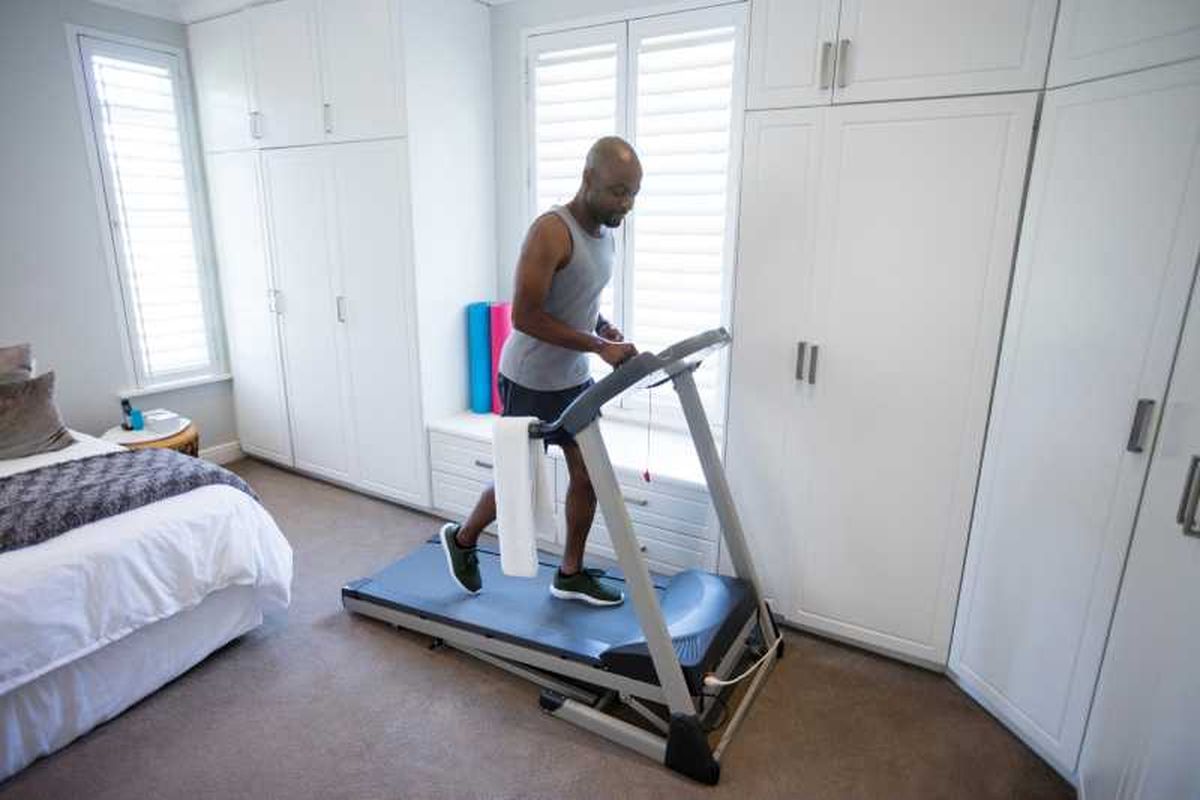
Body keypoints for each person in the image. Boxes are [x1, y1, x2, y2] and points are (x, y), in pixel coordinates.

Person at [440, 136, 643, 606]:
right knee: (520, 480)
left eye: (633, 193)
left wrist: (603, 328)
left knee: (588, 477)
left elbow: (576, 298)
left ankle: (569, 574)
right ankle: (463, 539)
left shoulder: (606, 233)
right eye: (618, 191)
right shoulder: (551, 231)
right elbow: (525, 317)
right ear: (588, 178)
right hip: (529, 378)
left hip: (572, 377)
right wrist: (599, 346)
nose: (626, 204)